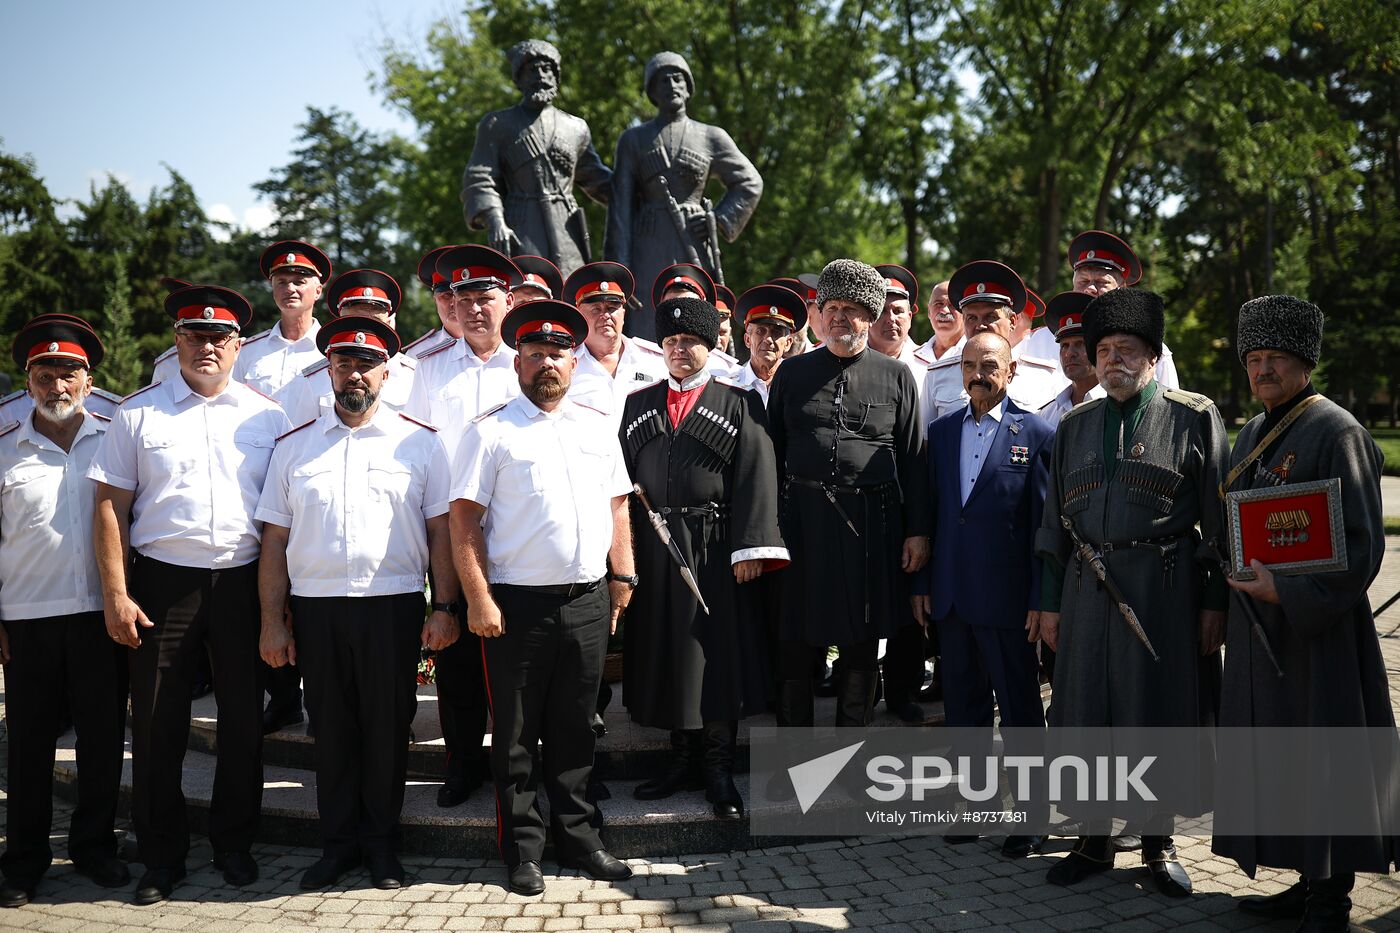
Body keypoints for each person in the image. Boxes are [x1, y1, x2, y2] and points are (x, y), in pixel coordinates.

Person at [89, 284, 291, 905]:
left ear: (238, 347)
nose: (208, 346)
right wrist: (116, 594)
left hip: (241, 581)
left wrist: (277, 606)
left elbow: (281, 519)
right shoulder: (138, 413)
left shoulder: (268, 416)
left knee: (242, 722)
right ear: (176, 340)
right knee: (157, 723)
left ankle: (234, 845)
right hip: (163, 583)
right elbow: (109, 506)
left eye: (220, 337)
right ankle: (161, 856)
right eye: (195, 335)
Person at [1212, 296, 1398, 933]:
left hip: (1319, 635)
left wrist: (1286, 592)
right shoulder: (1249, 433)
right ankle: (1305, 879)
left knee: (1323, 760)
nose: (1263, 369)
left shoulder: (1338, 431)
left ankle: (1332, 900)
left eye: (1276, 358)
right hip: (1260, 631)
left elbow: (1363, 546)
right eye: (1254, 358)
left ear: (1304, 362)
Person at [1035, 287, 1227, 898]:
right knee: (1087, 711)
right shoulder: (1074, 426)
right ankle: (1092, 841)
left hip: (1163, 590)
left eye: (1127, 349)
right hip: (1085, 591)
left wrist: (1214, 604)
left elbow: (1220, 525)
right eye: (1104, 350)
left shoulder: (1193, 416)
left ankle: (1157, 842)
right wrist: (1048, 603)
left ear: (1152, 356)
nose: (1113, 359)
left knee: (1157, 713)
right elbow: (1052, 527)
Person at [256, 317, 458, 891]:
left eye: (366, 365)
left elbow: (440, 532)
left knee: (387, 729)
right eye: (343, 363)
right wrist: (272, 621)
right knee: (332, 730)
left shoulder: (421, 442)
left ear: (386, 373)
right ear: (329, 371)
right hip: (316, 609)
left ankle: (381, 845)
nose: (355, 374)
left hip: (391, 606)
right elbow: (274, 540)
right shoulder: (293, 447)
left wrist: (444, 606)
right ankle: (338, 845)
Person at [450, 299, 636, 897]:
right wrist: (478, 598)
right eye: (534, 354)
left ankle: (580, 839)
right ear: (518, 364)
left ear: (574, 363)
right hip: (516, 606)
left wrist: (623, 575)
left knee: (576, 727)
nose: (547, 363)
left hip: (587, 599)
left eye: (557, 354)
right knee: (515, 735)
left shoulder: (595, 426)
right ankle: (523, 849)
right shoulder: (490, 431)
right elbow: (464, 521)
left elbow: (617, 504)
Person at [620, 296, 788, 819]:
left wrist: (749, 547)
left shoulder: (739, 403)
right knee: (672, 652)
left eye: (690, 341)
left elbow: (758, 478)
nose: (679, 350)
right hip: (655, 548)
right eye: (671, 341)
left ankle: (718, 768)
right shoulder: (637, 404)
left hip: (716, 547)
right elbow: (619, 482)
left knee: (717, 656)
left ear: (711, 346)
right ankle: (681, 760)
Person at [767, 259, 929, 729]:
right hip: (801, 523)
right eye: (831, 307)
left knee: (862, 640)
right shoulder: (791, 374)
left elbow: (914, 462)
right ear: (819, 314)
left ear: (870, 316)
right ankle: (793, 754)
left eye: (851, 309)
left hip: (872, 526)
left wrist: (918, 532)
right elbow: (771, 455)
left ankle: (850, 748)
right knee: (795, 639)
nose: (839, 317)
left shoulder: (897, 376)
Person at [0, 317, 128, 908]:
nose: (58, 386)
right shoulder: (4, 447)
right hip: (27, 617)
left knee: (102, 738)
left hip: (100, 615)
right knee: (28, 744)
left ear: (88, 381)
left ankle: (95, 847)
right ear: (28, 382)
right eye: (45, 375)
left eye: (69, 374)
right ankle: (23, 860)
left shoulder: (115, 438)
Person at [912, 331, 1052, 858]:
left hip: (1009, 601)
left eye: (990, 365)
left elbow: (1042, 528)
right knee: (965, 710)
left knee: (1019, 711)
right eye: (969, 365)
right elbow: (930, 516)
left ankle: (1033, 815)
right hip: (951, 597)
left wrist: (1041, 598)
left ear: (1011, 371)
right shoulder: (942, 432)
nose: (978, 374)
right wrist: (923, 584)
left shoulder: (1036, 433)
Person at [405, 245, 523, 809]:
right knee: (457, 658)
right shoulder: (426, 369)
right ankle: (462, 762)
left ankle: (518, 764)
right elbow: (416, 450)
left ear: (509, 301)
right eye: (464, 298)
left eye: (486, 298)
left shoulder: (528, 363)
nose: (474, 309)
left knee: (519, 659)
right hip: (453, 532)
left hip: (517, 529)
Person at [605, 52, 762, 340]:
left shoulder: (711, 136)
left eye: (678, 79)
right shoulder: (633, 140)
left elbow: (750, 182)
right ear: (652, 91)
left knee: (695, 315)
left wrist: (719, 220)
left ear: (688, 87)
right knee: (646, 320)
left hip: (693, 240)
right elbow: (620, 211)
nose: (671, 85)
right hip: (648, 243)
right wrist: (619, 275)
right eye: (662, 80)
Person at [461, 39, 611, 279]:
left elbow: (597, 179)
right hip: (522, 224)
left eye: (547, 69)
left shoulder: (576, 128)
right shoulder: (498, 124)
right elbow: (480, 179)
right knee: (528, 289)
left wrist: (640, 192)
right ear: (519, 78)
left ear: (556, 77)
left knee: (572, 289)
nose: (541, 75)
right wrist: (496, 221)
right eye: (532, 70)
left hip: (567, 227)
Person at [152, 241, 331, 390]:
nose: (290, 289)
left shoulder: (333, 352)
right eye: (281, 282)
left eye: (299, 282)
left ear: (318, 291)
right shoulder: (245, 351)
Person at [1021, 230, 1180, 388]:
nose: (1090, 288)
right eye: (1083, 281)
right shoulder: (1038, 341)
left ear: (1121, 289)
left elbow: (1167, 402)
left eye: (1101, 282)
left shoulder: (1149, 351)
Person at [278, 269, 418, 425]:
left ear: (389, 322)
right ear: (341, 322)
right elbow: (305, 434)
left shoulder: (415, 375)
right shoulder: (313, 379)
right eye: (356, 321)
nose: (364, 331)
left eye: (375, 322)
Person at [564, 261, 668, 427]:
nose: (605, 315)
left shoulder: (654, 360)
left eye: (612, 308)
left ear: (623, 314)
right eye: (596, 309)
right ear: (580, 316)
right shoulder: (565, 366)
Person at [1036, 292, 1105, 429]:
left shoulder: (1117, 406)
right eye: (1064, 346)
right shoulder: (1045, 415)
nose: (1069, 354)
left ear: (1101, 349)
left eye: (1080, 344)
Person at [730, 284, 806, 407]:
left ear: (788, 343)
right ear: (748, 340)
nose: (768, 339)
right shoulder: (729, 386)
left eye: (776, 333)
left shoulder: (801, 386)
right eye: (760, 331)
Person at [918, 280, 967, 427]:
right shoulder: (910, 357)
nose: (944, 311)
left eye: (952, 305)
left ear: (965, 313)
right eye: (938, 304)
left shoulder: (974, 360)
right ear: (929, 312)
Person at [401, 245, 463, 360]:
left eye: (462, 296)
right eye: (446, 295)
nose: (454, 303)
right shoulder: (418, 354)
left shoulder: (496, 346)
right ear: (435, 300)